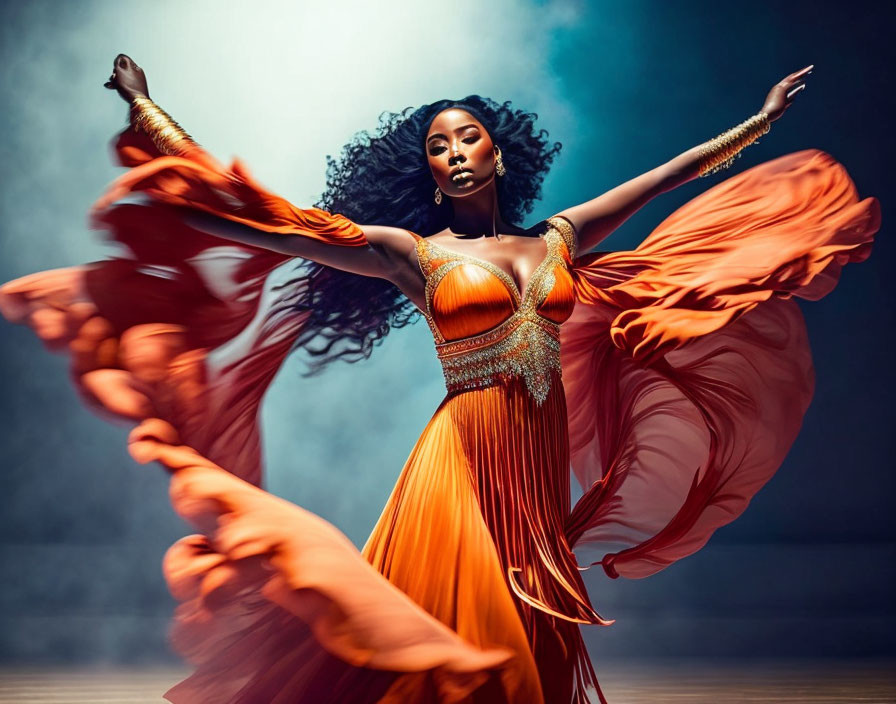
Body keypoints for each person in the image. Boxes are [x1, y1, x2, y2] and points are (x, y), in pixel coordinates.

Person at [0, 54, 880, 704]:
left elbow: (667, 176)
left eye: (469, 138)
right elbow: (264, 221)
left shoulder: (560, 238)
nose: (455, 152)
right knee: (467, 632)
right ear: (427, 170)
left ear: (500, 154)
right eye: (438, 146)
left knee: (527, 650)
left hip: (532, 473)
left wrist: (759, 122)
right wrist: (153, 117)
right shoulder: (408, 253)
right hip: (458, 463)